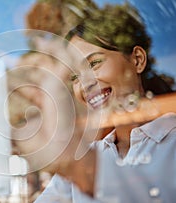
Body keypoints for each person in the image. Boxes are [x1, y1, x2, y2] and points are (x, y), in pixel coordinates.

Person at [34, 3, 176, 202]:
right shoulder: (85, 156)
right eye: (74, 76)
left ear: (137, 59)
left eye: (94, 63)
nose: (85, 83)